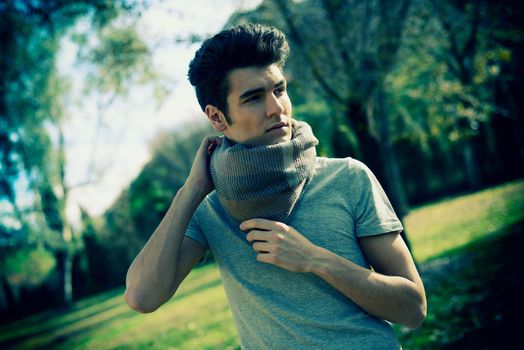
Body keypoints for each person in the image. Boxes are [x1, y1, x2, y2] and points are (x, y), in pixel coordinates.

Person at [124, 23, 426, 349]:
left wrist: (316, 259)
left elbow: (413, 309)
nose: (276, 108)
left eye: (279, 90)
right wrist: (191, 191)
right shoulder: (208, 210)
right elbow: (142, 297)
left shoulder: (348, 178)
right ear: (217, 118)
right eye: (254, 98)